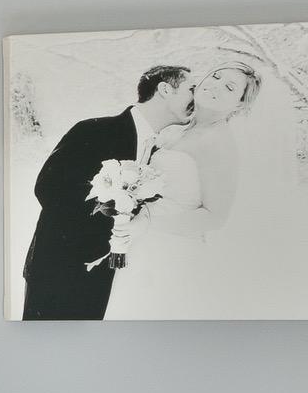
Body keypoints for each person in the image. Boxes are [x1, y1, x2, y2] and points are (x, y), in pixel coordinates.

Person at [21, 64, 192, 320]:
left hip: (104, 276)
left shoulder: (160, 151)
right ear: (165, 89)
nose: (196, 98)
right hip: (60, 271)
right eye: (191, 89)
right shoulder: (94, 130)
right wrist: (111, 207)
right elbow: (48, 188)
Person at [108, 61, 268, 319]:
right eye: (215, 76)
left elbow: (215, 217)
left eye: (229, 88)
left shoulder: (219, 143)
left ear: (239, 105)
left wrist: (148, 222)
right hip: (138, 244)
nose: (215, 86)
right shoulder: (174, 129)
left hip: (173, 251)